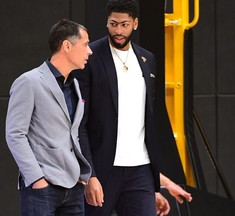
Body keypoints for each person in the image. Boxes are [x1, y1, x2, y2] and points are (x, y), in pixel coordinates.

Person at [74, 1, 192, 215]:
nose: (118, 30)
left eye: (124, 24)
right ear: (107, 23)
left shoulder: (148, 59)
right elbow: (80, 121)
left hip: (141, 170)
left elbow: (148, 117)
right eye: (113, 24)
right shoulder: (90, 56)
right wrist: (89, 174)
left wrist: (156, 180)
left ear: (135, 24)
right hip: (102, 169)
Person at [5, 19, 93, 216]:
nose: (90, 51)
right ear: (67, 46)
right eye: (86, 44)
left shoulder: (74, 85)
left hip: (74, 185)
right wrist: (36, 179)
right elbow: (15, 134)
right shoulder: (29, 81)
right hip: (43, 188)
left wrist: (81, 177)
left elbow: (72, 133)